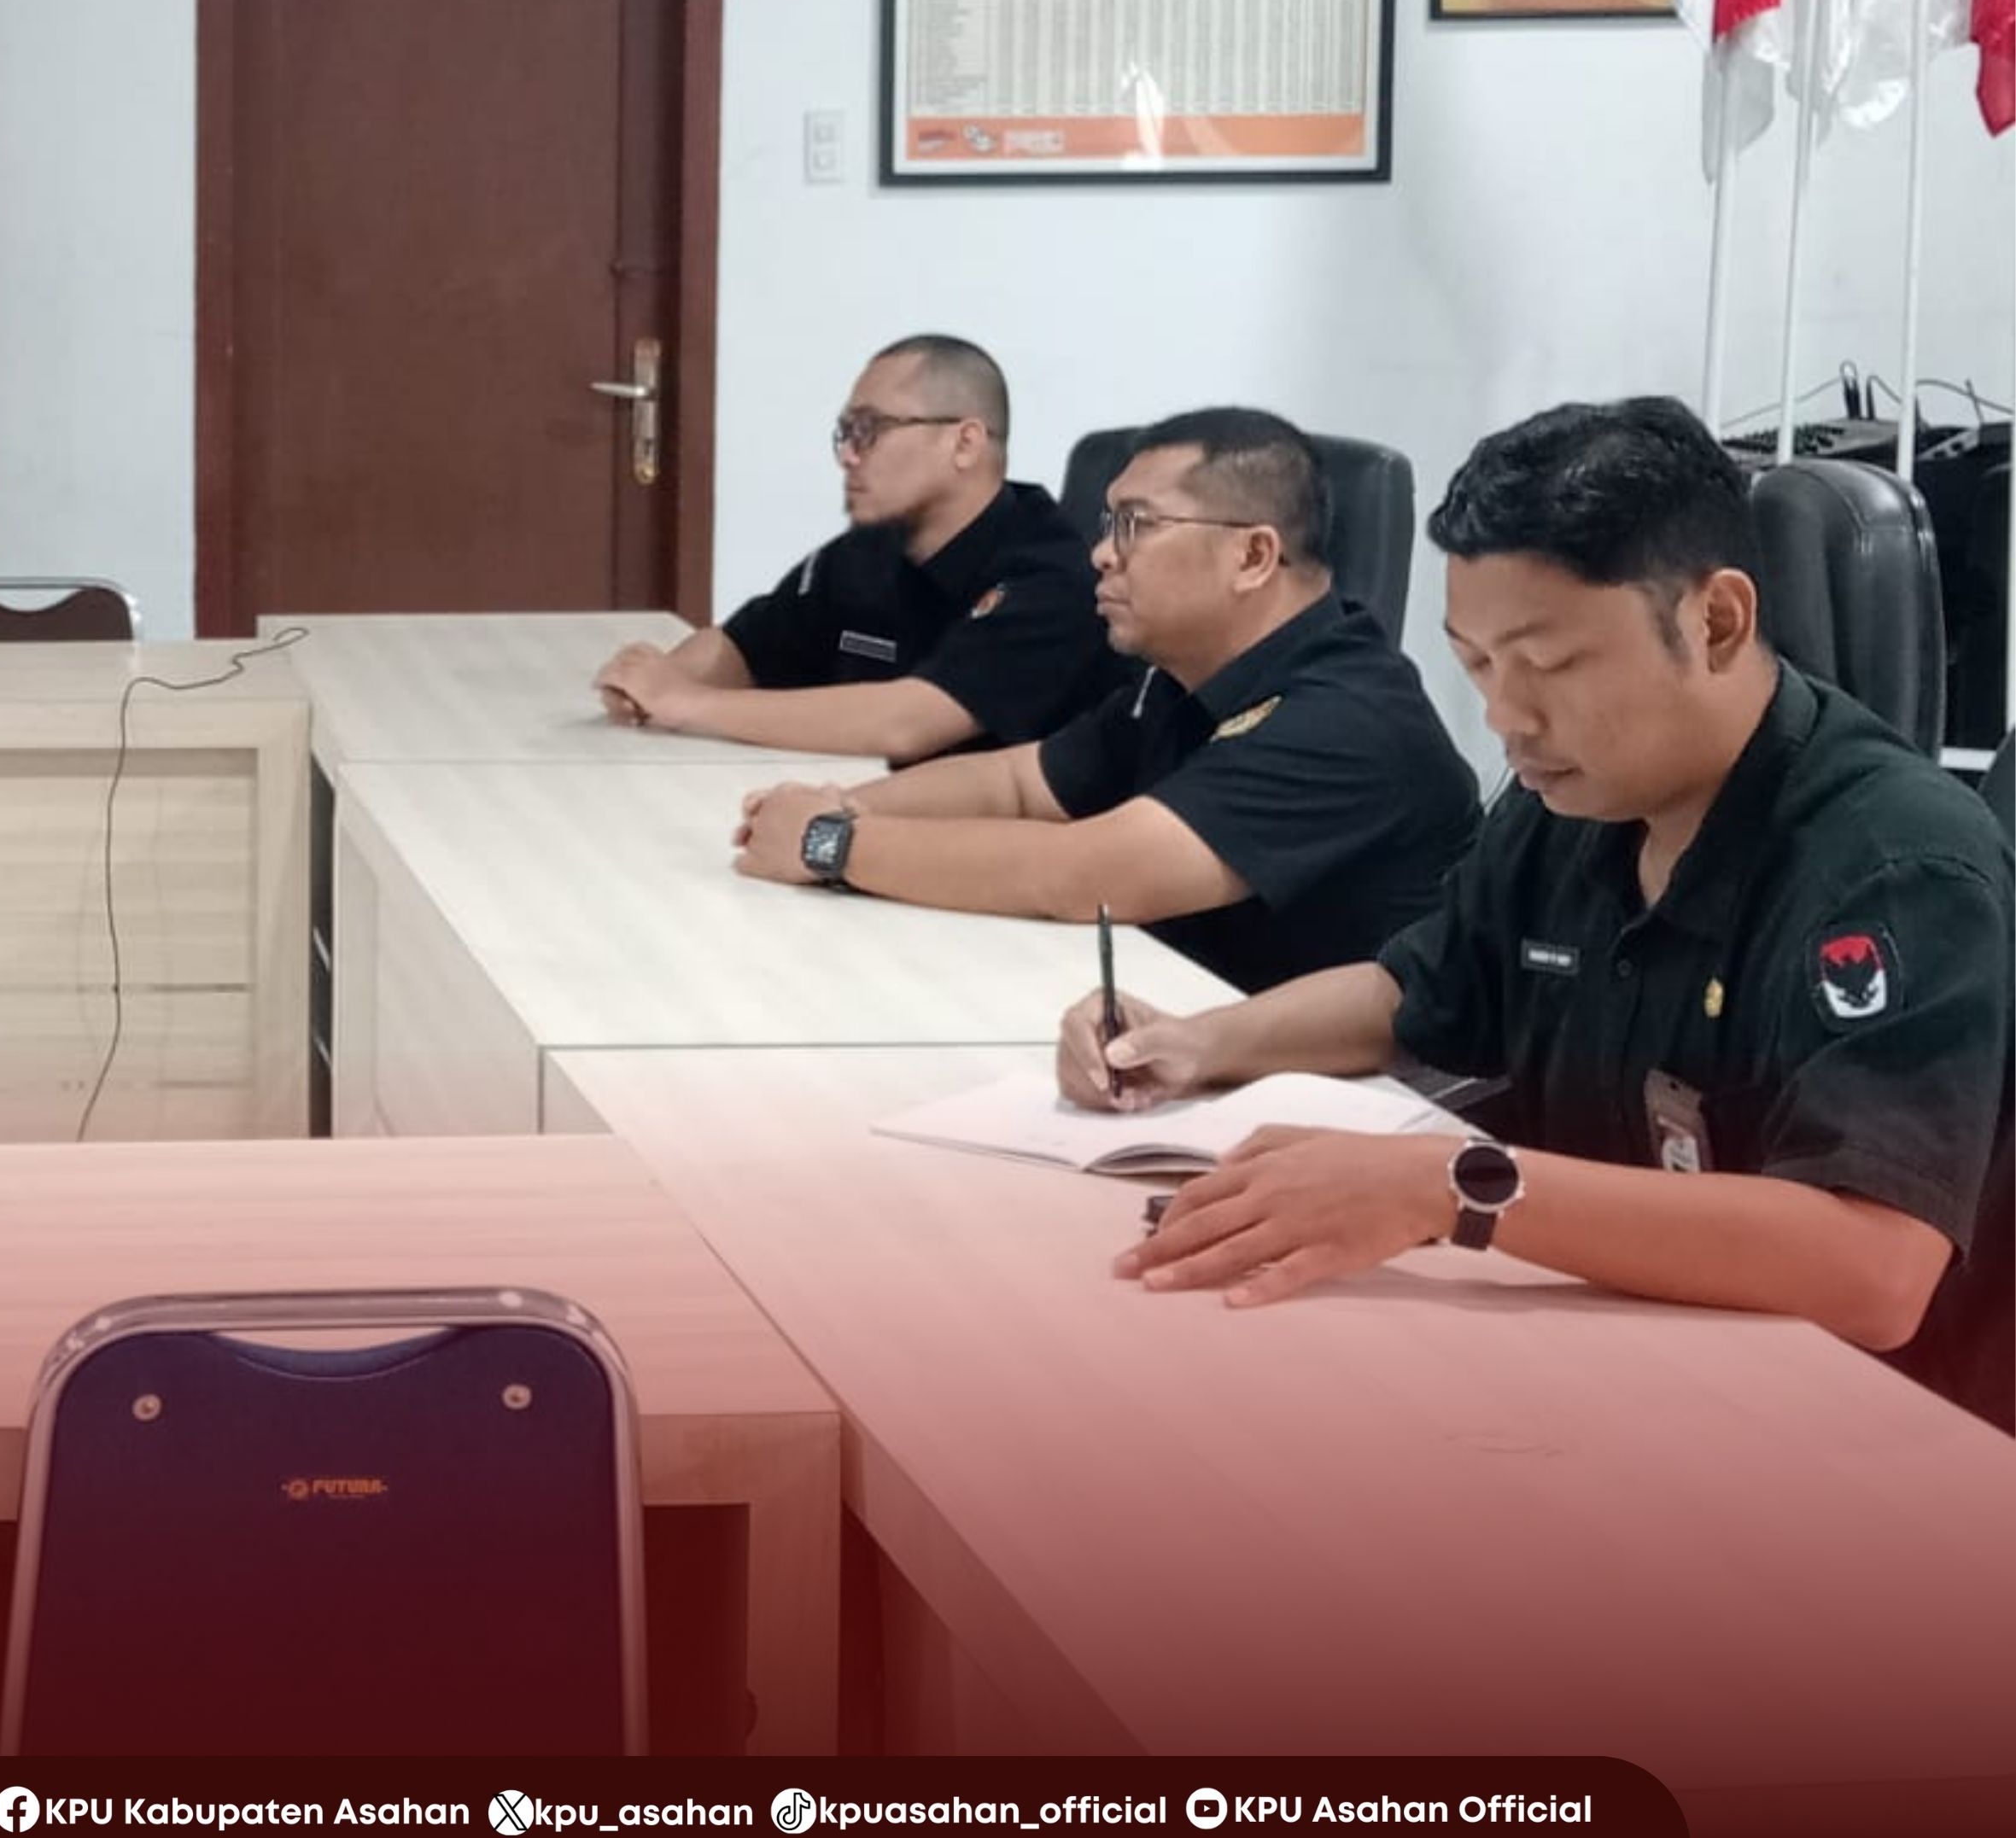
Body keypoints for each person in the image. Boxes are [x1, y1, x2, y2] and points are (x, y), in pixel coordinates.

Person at [1075, 400, 2011, 1432]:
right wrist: (1195, 1041)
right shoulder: (1571, 796)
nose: (1504, 717)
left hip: (1849, 1430)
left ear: (1714, 622)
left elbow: (1874, 1265)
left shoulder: (1893, 865)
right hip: (1606, 1367)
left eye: (1551, 664)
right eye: (1476, 663)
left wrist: (1457, 1187)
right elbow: (1418, 986)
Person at [736, 407, 1479, 995]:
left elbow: (1082, 875)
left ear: (1252, 555)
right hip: (1173, 1023)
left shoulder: (1343, 715)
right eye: (1106, 523)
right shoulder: (1180, 675)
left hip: (1334, 1091)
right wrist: (844, 804)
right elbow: (1017, 783)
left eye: (1135, 525)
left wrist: (830, 843)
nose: (1100, 552)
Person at [593, 335, 1113, 760]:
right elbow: (748, 647)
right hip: (863, 806)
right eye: (845, 432)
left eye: (871, 430)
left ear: (965, 443)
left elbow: (906, 724)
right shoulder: (869, 550)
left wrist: (687, 703)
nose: (847, 455)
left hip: (1009, 842)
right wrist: (656, 684)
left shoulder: (1052, 576)